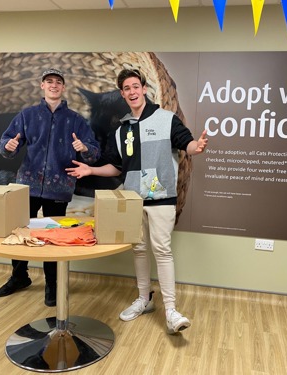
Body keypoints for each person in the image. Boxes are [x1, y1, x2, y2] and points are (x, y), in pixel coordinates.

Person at [66, 68, 208, 334]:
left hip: (162, 199)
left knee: (162, 251)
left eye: (135, 86)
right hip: (132, 201)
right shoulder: (121, 131)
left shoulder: (167, 120)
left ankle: (172, 311)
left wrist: (195, 148)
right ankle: (144, 299)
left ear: (144, 88)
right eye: (127, 89)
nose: (132, 92)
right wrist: (91, 170)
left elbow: (186, 144)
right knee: (139, 250)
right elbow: (117, 168)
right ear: (123, 94)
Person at [0, 68, 100, 307]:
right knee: (21, 233)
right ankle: (19, 277)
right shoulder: (27, 115)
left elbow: (94, 153)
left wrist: (83, 148)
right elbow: (4, 145)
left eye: (58, 82)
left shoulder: (75, 120)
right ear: (42, 86)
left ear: (63, 88)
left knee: (55, 239)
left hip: (59, 188)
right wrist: (9, 145)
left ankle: (52, 284)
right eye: (49, 81)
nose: (54, 85)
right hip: (27, 186)